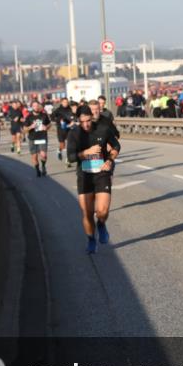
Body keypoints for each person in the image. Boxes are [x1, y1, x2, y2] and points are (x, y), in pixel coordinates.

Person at [67, 103, 121, 254]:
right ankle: (91, 239)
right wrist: (86, 152)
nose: (85, 124)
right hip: (84, 176)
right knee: (88, 213)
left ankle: (101, 224)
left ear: (92, 117)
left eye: (88, 121)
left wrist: (109, 160)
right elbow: (71, 157)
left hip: (101, 173)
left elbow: (116, 146)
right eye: (82, 121)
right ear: (78, 120)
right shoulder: (74, 134)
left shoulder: (103, 129)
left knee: (102, 211)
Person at [24, 99, 52, 177]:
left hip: (42, 137)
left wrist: (46, 127)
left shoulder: (44, 115)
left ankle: (43, 166)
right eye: (34, 106)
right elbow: (24, 129)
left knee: (43, 155)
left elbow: (50, 124)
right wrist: (31, 127)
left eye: (37, 105)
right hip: (32, 138)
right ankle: (37, 169)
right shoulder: (29, 117)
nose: (36, 107)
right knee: (34, 157)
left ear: (39, 106)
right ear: (32, 107)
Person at [51, 97, 76, 164]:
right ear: (61, 102)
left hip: (69, 128)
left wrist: (73, 120)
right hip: (61, 129)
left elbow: (74, 116)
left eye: (67, 102)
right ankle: (59, 150)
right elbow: (52, 118)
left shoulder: (70, 109)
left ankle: (68, 159)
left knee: (69, 144)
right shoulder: (58, 110)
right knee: (62, 145)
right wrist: (59, 120)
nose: (66, 103)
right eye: (64, 102)